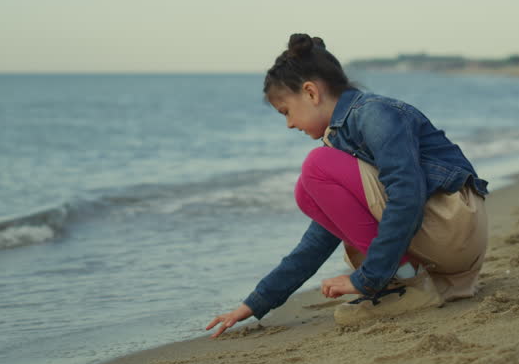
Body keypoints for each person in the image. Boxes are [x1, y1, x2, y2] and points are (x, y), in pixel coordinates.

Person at [206, 34, 489, 337]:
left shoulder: (374, 114)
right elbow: (319, 239)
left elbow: (407, 195)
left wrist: (366, 279)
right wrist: (256, 302)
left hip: (454, 225)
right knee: (307, 190)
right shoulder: (345, 137)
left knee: (316, 167)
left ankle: (407, 283)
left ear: (311, 93)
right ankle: (405, 281)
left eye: (286, 111)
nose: (289, 124)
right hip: (448, 237)